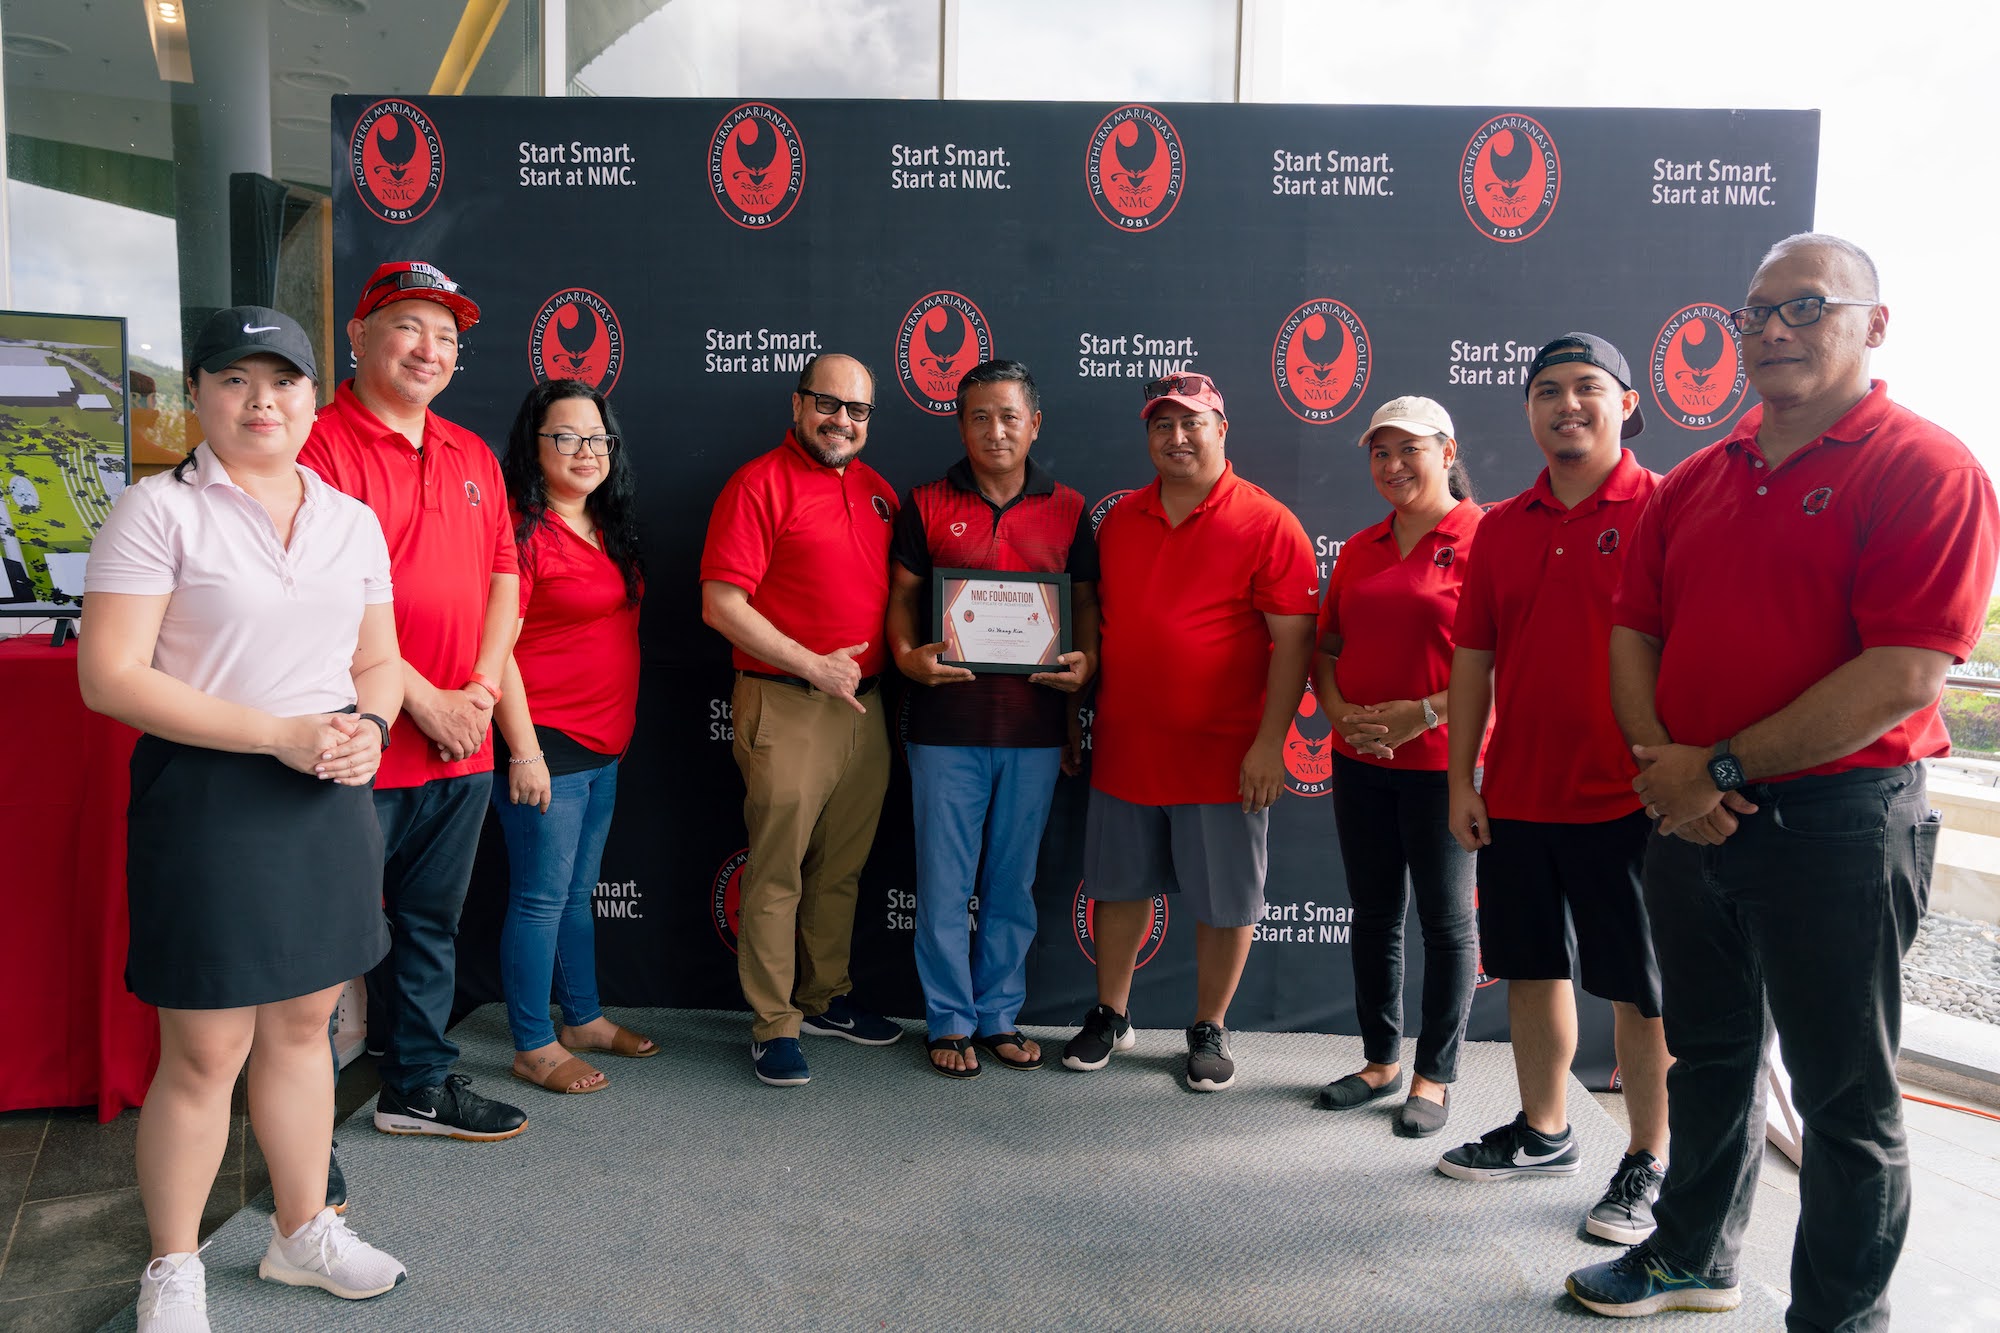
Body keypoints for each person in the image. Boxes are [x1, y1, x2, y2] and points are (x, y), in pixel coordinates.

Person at [1568, 234, 1999, 1326]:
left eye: (1803, 308)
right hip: (1689, 822)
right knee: (1708, 1055)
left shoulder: (1926, 467)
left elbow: (1902, 674)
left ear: (1873, 324)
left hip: (1838, 828)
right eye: (1751, 314)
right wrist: (1671, 780)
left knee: (1842, 1097)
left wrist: (1711, 767)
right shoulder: (1700, 478)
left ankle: (1837, 1316)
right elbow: (1633, 635)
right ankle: (1691, 1257)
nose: (1769, 332)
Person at [80, 307, 407, 1330]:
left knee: (307, 1026)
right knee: (206, 1049)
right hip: (211, 798)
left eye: (284, 380)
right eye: (234, 379)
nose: (261, 401)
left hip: (324, 797)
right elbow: (110, 677)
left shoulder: (350, 518)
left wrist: (370, 724)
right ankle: (172, 1265)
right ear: (197, 396)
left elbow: (378, 661)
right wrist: (276, 734)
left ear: (315, 396)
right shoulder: (154, 510)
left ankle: (300, 1233)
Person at [1443, 334, 1675, 1246]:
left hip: (1634, 798)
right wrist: (1463, 773)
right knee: (1533, 969)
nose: (1566, 405)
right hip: (1520, 793)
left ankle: (1648, 1160)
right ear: (1529, 411)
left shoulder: (1667, 508)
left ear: (1627, 405)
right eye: (1547, 390)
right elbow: (1473, 657)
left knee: (1639, 991)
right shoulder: (1499, 523)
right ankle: (1545, 1130)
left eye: (1587, 388)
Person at [298, 260, 528, 1142]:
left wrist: (476, 690)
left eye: (448, 337)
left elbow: (506, 576)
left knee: (432, 924)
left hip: (461, 742)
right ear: (356, 336)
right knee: (331, 940)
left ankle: (418, 1085)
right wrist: (419, 697)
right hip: (360, 739)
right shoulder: (318, 446)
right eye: (409, 326)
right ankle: (302, 1118)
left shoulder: (472, 452)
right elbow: (318, 598)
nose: (429, 349)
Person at [1062, 373, 1319, 1092]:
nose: (1176, 437)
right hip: (1128, 745)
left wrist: (1270, 744)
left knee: (1226, 898)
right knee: (1117, 888)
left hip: (1224, 754)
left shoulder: (1268, 522)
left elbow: (1294, 644)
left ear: (1221, 428)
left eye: (1192, 422)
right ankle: (1111, 1011)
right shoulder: (1120, 520)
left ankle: (1208, 1024)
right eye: (1162, 424)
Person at [886, 359, 1100, 1078]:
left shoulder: (1070, 508)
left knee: (1011, 882)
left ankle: (999, 1014)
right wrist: (905, 657)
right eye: (979, 416)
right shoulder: (924, 502)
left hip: (1034, 731)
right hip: (945, 726)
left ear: (1034, 423)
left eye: (1009, 416)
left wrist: (1086, 667)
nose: (995, 430)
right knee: (944, 882)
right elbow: (901, 600)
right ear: (961, 424)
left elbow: (1087, 608)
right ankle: (948, 1020)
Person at [700, 353, 904, 1087]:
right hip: (786, 701)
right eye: (827, 404)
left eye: (857, 410)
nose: (841, 420)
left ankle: (824, 999)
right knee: (779, 870)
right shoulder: (758, 484)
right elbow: (721, 604)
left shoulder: (880, 493)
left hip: (867, 707)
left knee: (841, 870)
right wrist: (812, 662)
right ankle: (774, 1021)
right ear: (797, 404)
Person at [1310, 395, 1482, 1137]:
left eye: (1408, 449)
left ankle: (1434, 1074)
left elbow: (1505, 662)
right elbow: (1327, 649)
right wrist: (1339, 711)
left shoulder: (1485, 536)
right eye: (1380, 452)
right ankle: (1380, 1059)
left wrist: (1428, 711)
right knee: (1375, 913)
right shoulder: (1360, 546)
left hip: (1444, 763)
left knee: (1446, 923)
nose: (1392, 464)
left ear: (1446, 451)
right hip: (1360, 759)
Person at [489, 379, 650, 1095]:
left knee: (577, 892)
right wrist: (522, 749)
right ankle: (532, 1041)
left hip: (603, 744)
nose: (586, 451)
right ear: (534, 444)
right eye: (567, 436)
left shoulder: (606, 524)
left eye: (598, 438)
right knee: (538, 899)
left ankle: (581, 1017)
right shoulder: (522, 532)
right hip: (546, 743)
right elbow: (496, 649)